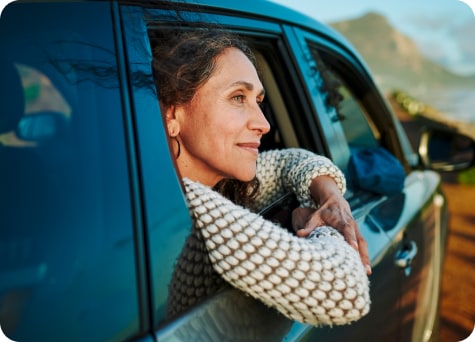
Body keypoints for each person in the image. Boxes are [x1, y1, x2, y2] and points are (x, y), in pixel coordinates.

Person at [153, 29, 371, 326]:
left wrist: (331, 199)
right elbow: (347, 293)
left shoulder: (188, 188)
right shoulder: (200, 212)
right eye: (238, 97)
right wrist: (320, 226)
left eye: (258, 101)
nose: (264, 124)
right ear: (172, 115)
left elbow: (289, 162)